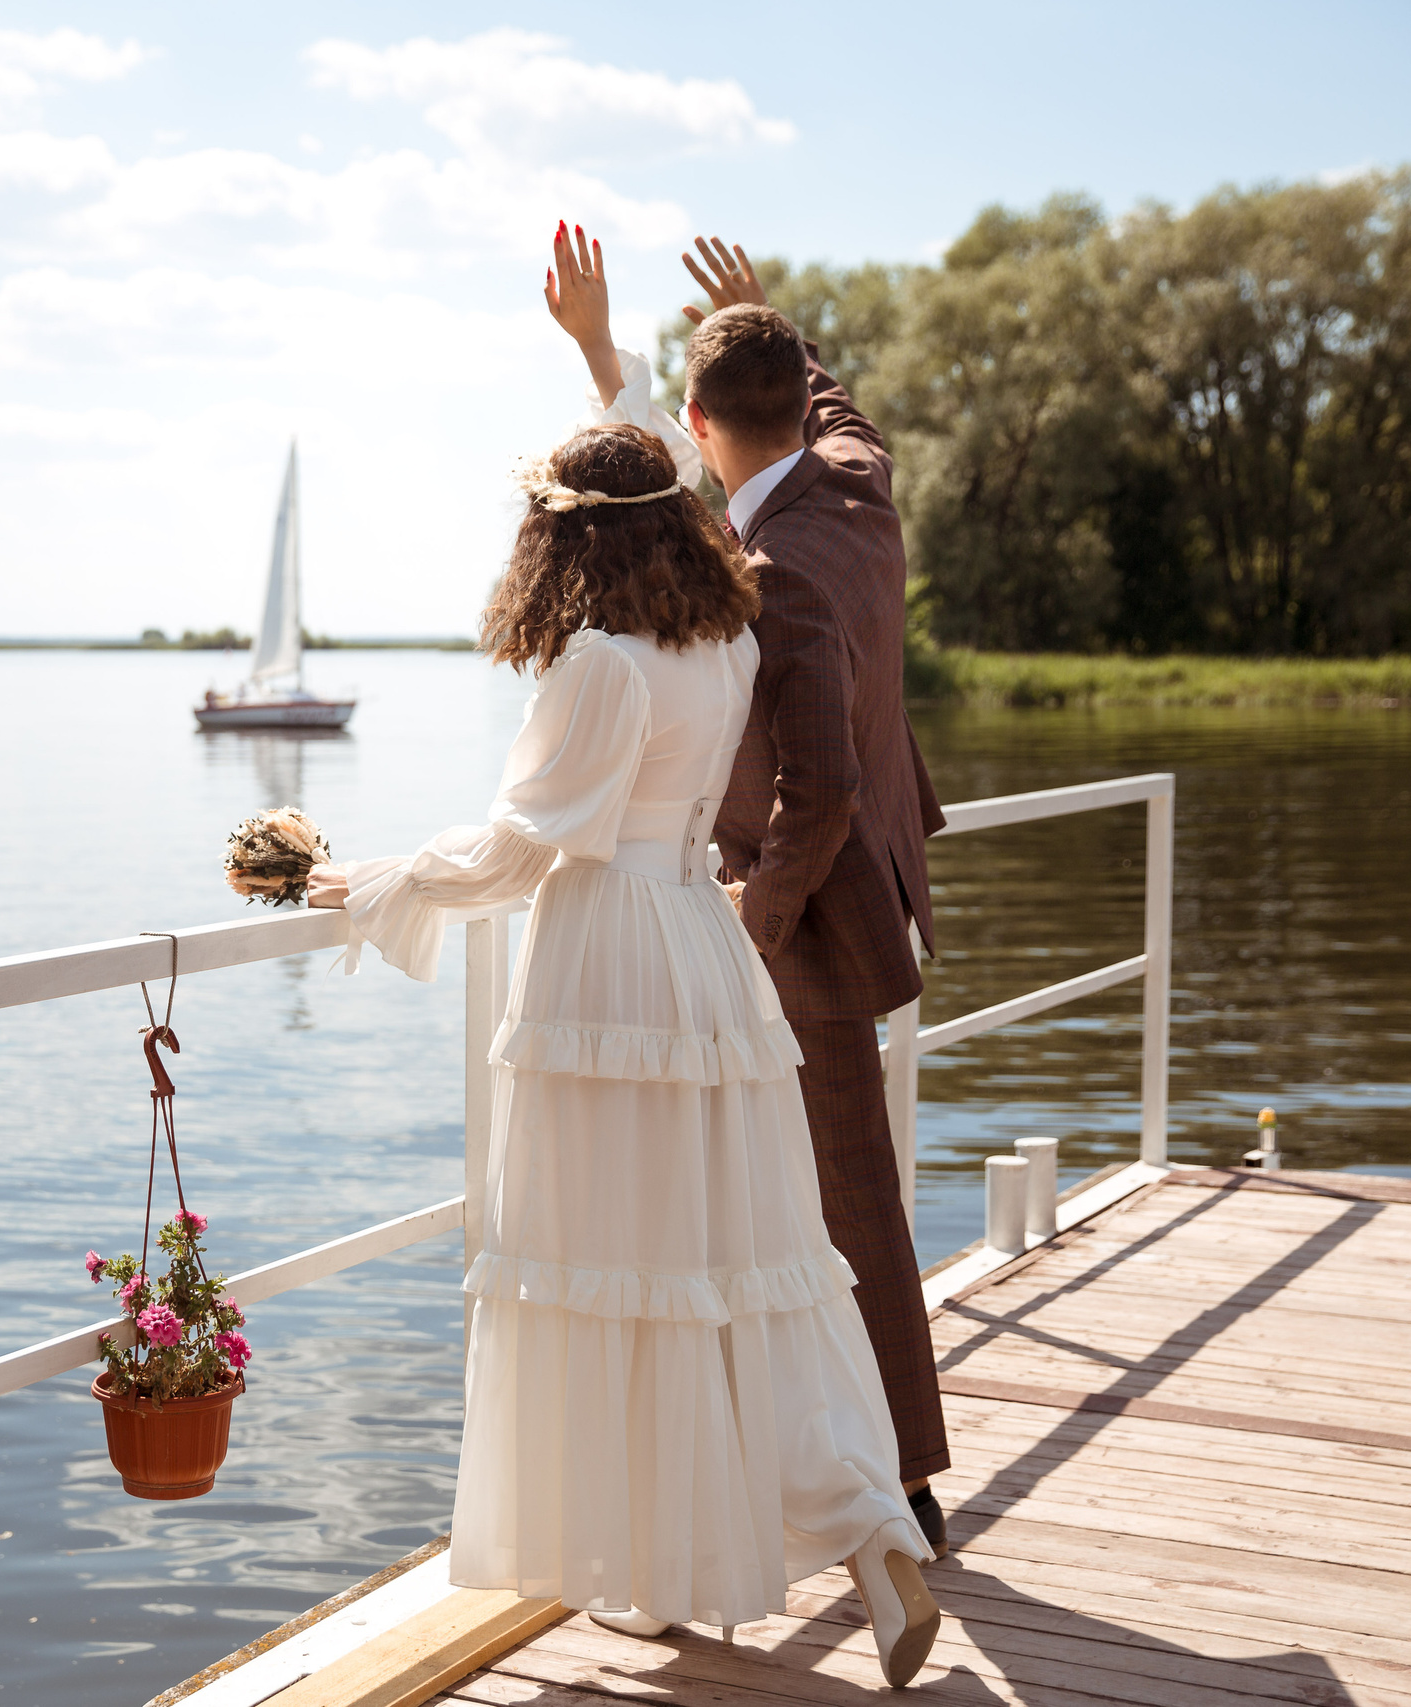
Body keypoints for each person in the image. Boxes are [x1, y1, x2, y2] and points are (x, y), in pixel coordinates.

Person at [303, 414, 938, 1684]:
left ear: (561, 536)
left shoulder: (597, 663)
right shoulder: (722, 643)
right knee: (739, 1261)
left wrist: (365, 881)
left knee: (613, 1265)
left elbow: (523, 848)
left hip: (606, 971)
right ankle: (871, 1524)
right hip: (702, 952)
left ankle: (646, 1572)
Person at [546, 225, 954, 1548]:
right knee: (812, 1190)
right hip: (865, 893)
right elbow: (829, 410)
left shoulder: (778, 564)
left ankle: (898, 1487)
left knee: (840, 1192)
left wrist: (752, 916)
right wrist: (762, 321)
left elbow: (819, 787)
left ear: (707, 421)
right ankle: (820, 1455)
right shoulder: (854, 478)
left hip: (808, 915)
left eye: (691, 418)